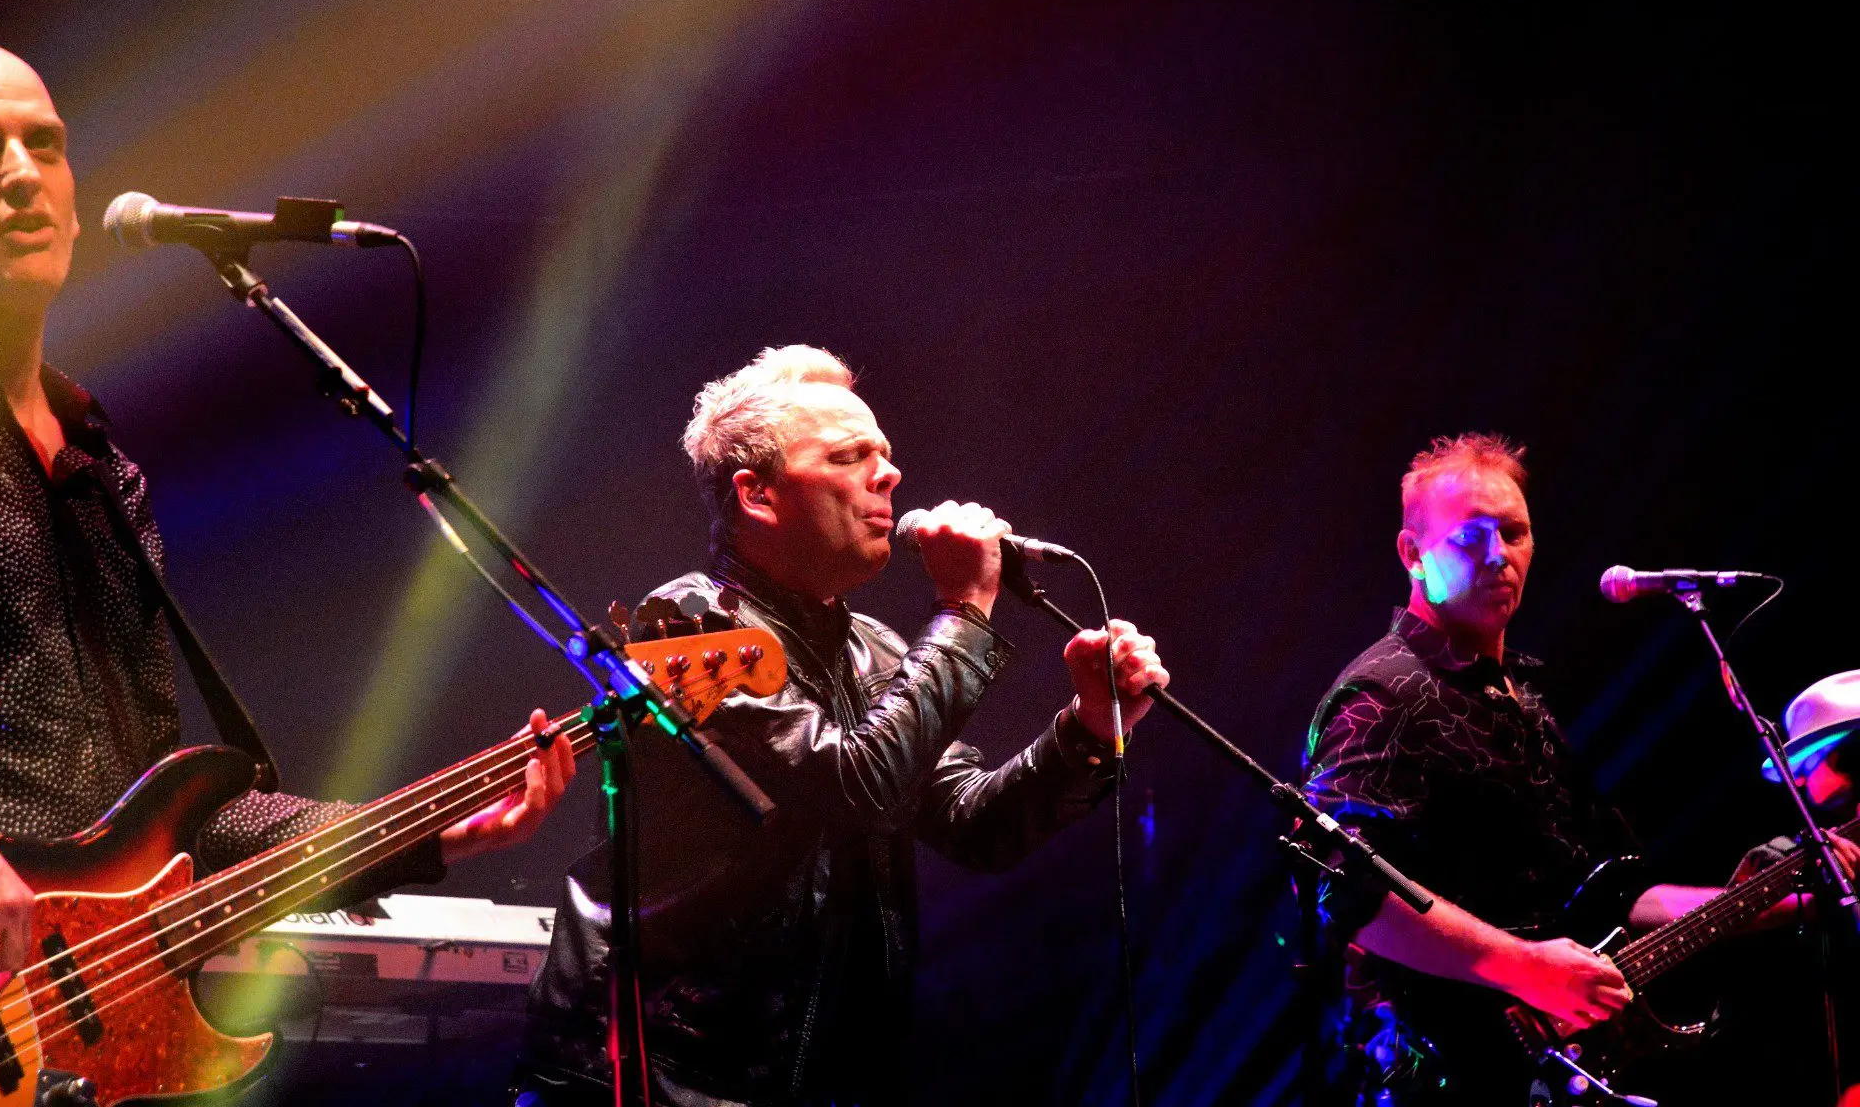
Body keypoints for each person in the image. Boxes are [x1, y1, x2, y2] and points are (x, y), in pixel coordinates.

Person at [0, 40, 577, 1053]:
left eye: (45, 145)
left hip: (72, 1038)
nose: (21, 175)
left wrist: (427, 831)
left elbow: (169, 823)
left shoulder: (105, 472)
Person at [516, 344, 1170, 1106]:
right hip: (659, 1075)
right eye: (849, 456)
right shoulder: (686, 624)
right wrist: (964, 611)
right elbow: (851, 788)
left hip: (809, 1082)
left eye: (885, 455)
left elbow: (976, 826)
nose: (888, 475)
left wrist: (1090, 724)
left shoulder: (875, 650)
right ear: (758, 495)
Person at [1300, 433, 1854, 1104]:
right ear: (1413, 554)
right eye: (1471, 536)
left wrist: (1776, 898)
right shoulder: (1382, 694)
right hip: (1435, 1079)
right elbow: (1339, 889)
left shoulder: (1525, 699)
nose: (1498, 554)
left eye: (1514, 533)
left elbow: (1613, 897)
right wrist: (1526, 968)